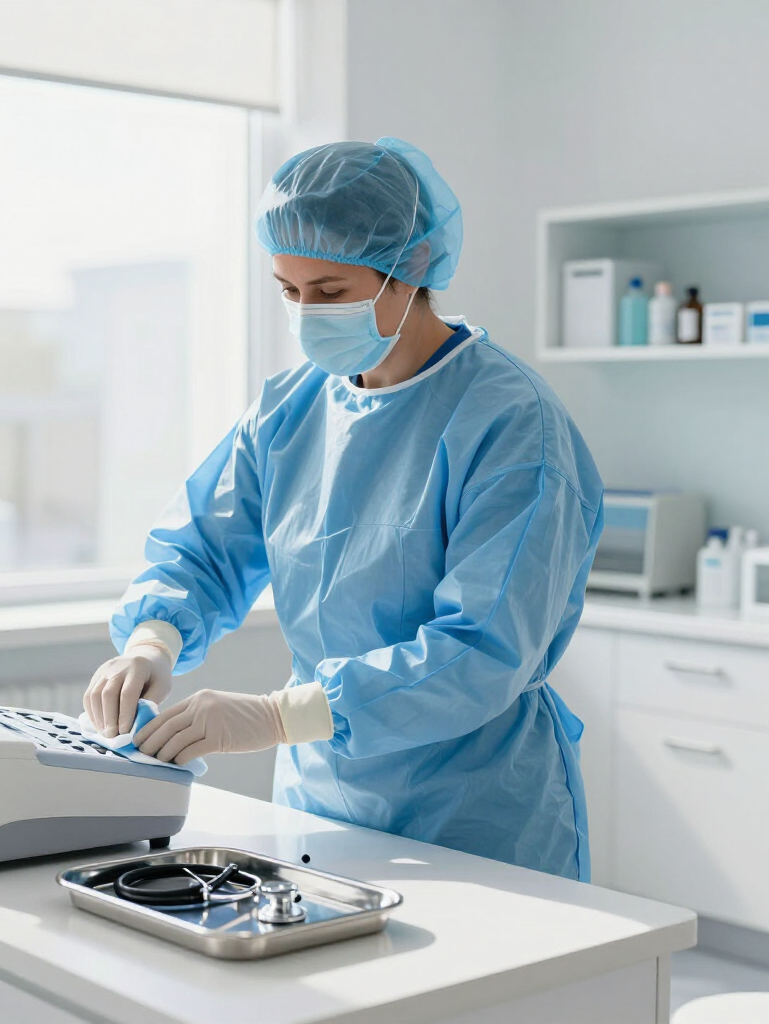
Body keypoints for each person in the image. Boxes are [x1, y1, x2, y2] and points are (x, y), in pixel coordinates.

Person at [83, 137, 604, 881]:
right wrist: (151, 645)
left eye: (329, 293)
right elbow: (207, 545)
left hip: (475, 811)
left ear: (411, 269)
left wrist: (274, 717)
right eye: (288, 291)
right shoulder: (290, 409)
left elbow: (482, 649)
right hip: (318, 804)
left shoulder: (513, 427)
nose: (305, 315)